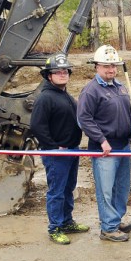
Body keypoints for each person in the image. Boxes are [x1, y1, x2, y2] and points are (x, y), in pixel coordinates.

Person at [78, 45, 131, 242]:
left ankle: (116, 219)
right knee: (106, 190)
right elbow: (84, 119)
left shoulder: (119, 86)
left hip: (123, 147)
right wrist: (101, 140)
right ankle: (108, 228)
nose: (111, 70)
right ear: (96, 67)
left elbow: (127, 113)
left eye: (113, 66)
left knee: (121, 188)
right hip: (105, 150)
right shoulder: (91, 91)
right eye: (106, 66)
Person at [31, 52, 87, 245]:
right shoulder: (45, 98)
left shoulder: (66, 96)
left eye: (65, 71)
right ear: (49, 75)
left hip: (72, 150)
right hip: (57, 154)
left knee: (69, 188)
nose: (63, 74)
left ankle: (67, 221)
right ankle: (55, 228)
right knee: (56, 191)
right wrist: (54, 147)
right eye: (58, 72)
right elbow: (37, 126)